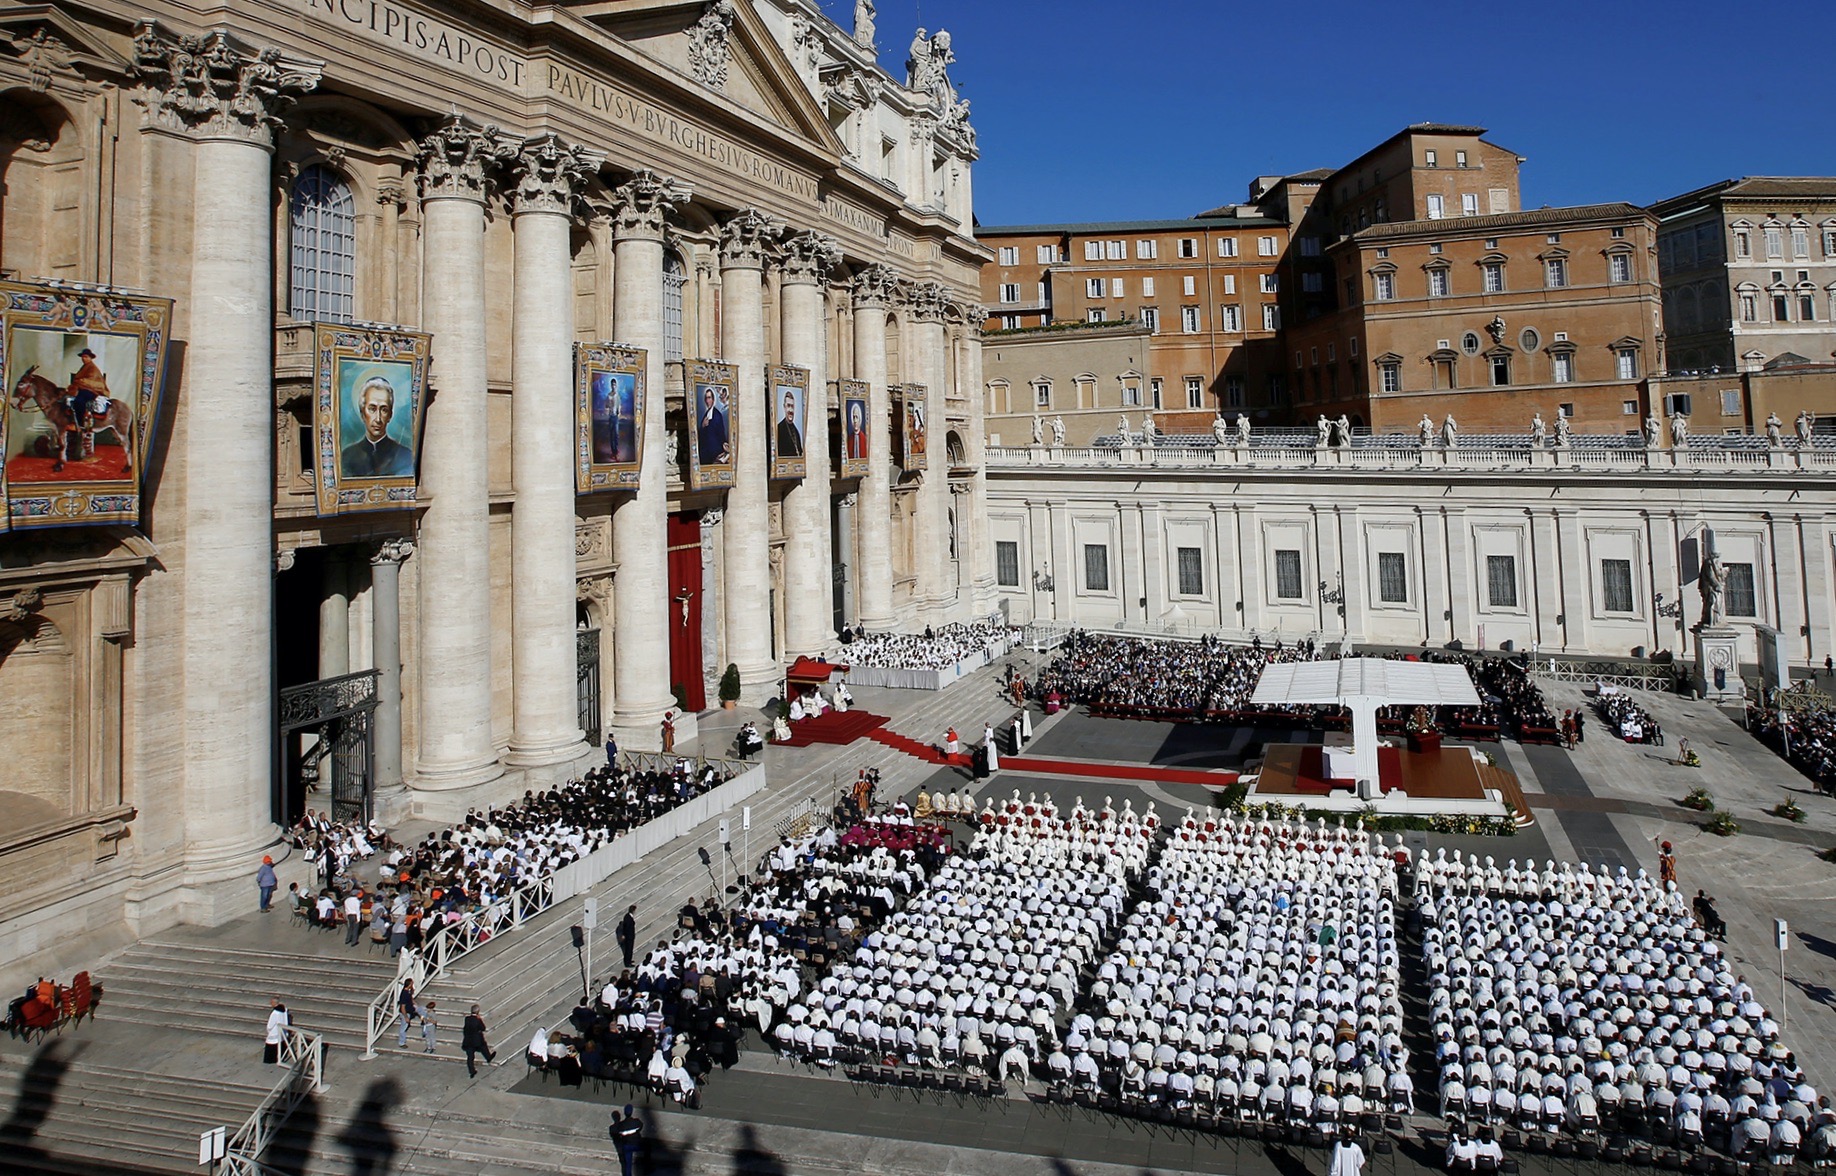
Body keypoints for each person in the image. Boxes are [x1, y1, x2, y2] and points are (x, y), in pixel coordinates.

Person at [340, 375, 414, 477]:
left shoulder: (405, 456)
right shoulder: (347, 456)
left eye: (384, 410)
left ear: (390, 415)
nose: (378, 419)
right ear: (362, 413)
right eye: (372, 409)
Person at [696, 384, 730, 466]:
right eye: (706, 398)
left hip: (715, 451)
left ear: (713, 399)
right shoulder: (706, 415)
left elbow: (720, 433)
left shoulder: (717, 415)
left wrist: (723, 445)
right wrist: (703, 426)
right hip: (706, 452)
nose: (708, 401)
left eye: (709, 398)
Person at [610, 1105, 644, 1176]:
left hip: (627, 1146)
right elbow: (640, 1126)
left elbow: (616, 1135)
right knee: (647, 1148)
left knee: (627, 1164)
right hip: (636, 1145)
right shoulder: (636, 1122)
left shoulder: (620, 1126)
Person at [775, 389, 804, 458]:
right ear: (784, 407)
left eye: (792, 406)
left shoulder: (796, 432)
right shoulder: (779, 429)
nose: (790, 410)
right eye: (788, 406)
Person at [264, 999, 289, 1064]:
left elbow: (270, 1025)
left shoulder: (275, 1013)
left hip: (274, 1031)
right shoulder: (284, 1010)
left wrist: (268, 1029)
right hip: (282, 1031)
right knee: (280, 1044)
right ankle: (280, 1057)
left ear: (274, 1003)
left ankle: (271, 1060)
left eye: (271, 1002)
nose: (270, 1004)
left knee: (272, 1045)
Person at [617, 904, 637, 970]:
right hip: (629, 936)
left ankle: (629, 959)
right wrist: (624, 935)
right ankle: (627, 962)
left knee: (629, 949)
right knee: (629, 949)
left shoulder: (627, 916)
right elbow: (627, 927)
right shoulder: (629, 918)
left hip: (629, 935)